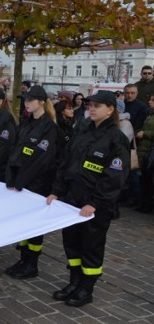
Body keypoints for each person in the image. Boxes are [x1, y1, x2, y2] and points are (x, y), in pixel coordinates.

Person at [47, 90, 129, 307]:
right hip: (71, 200)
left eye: (98, 106)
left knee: (91, 247)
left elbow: (114, 178)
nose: (92, 108)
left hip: (94, 206)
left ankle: (86, 289)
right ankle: (74, 282)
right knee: (71, 243)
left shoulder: (116, 139)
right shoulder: (82, 130)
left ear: (110, 109)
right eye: (91, 105)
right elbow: (66, 163)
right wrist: (57, 190)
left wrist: (95, 203)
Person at [4, 85, 59, 280]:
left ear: (42, 102)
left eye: (30, 100)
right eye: (25, 100)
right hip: (21, 181)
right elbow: (16, 150)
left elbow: (42, 160)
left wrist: (22, 180)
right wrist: (11, 175)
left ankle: (31, 263)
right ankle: (23, 259)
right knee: (24, 223)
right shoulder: (26, 123)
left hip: (37, 183)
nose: (26, 103)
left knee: (35, 227)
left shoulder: (49, 127)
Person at [135, 92, 154, 213]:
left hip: (150, 150)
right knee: (145, 179)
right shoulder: (149, 114)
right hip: (144, 149)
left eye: (153, 100)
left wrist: (145, 133)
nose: (150, 101)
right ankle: (144, 203)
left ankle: (148, 204)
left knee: (149, 180)